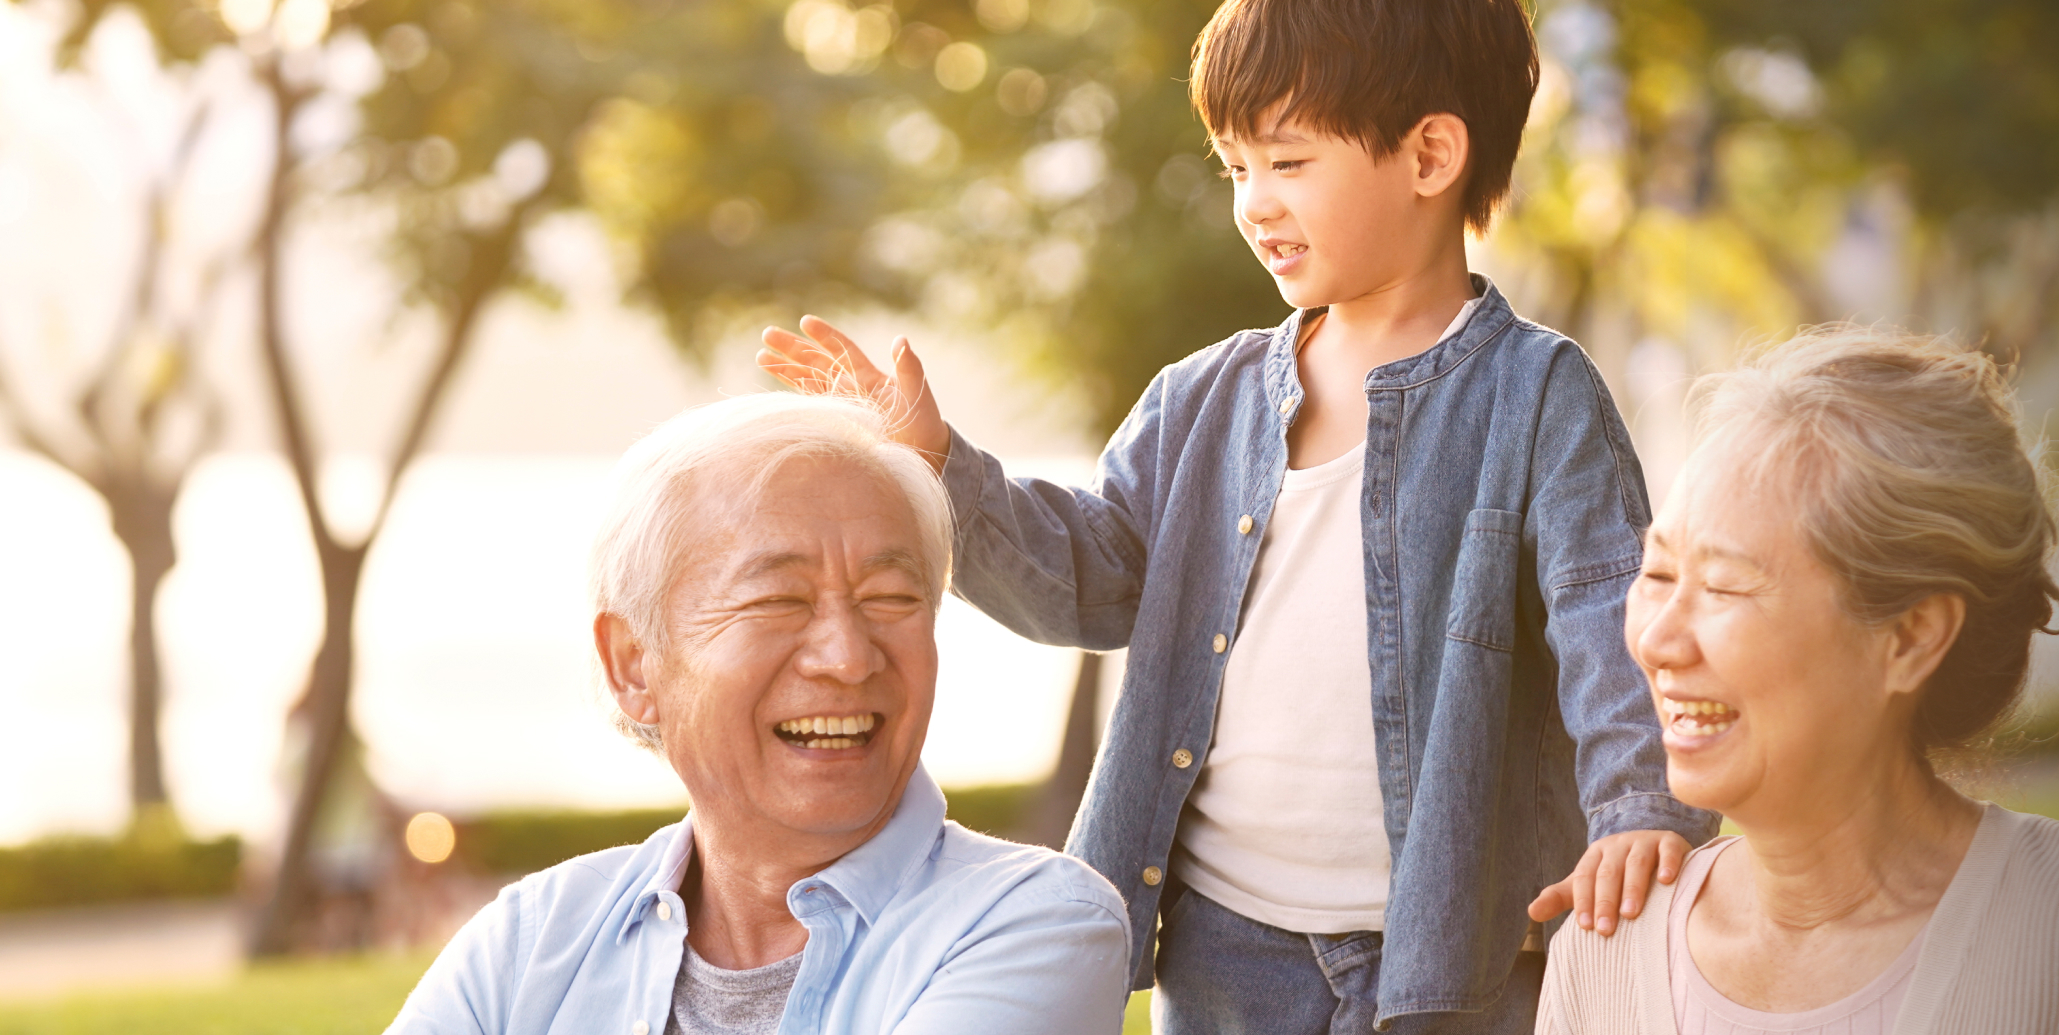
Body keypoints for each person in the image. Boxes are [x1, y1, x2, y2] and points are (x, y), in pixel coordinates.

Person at [752, 1, 1712, 1030]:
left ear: (1431, 154)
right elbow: (1089, 575)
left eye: (1288, 163)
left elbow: (1612, 622)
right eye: (1235, 168)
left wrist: (1640, 808)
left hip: (1452, 954)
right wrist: (939, 465)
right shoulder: (1200, 400)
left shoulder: (1538, 395)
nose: (1254, 203)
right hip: (1223, 951)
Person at [1534, 330, 2059, 1035]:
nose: (1655, 640)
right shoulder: (1605, 956)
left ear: (1910, 637)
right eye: (1657, 575)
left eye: (1723, 586)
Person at [387, 393, 1128, 1035]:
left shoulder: (1037, 923)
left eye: (890, 598)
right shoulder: (534, 936)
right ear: (633, 665)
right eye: (779, 599)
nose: (847, 656)